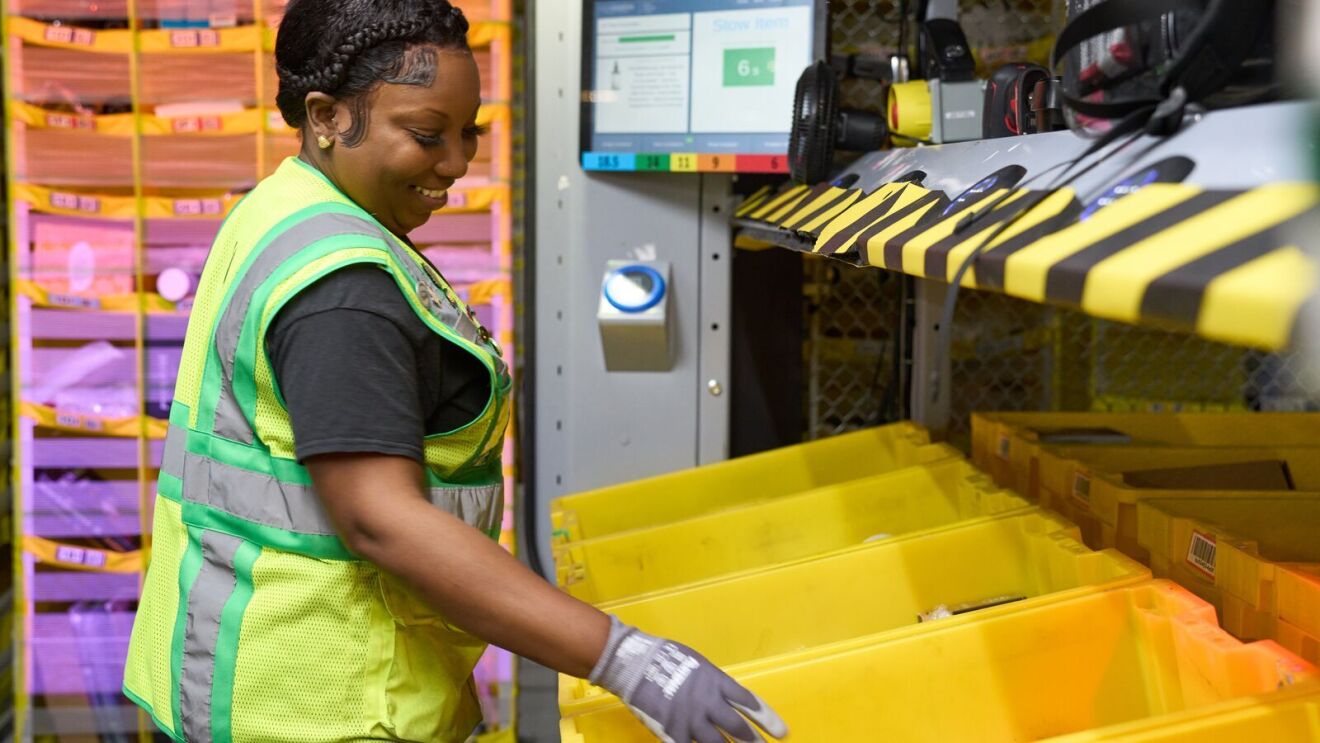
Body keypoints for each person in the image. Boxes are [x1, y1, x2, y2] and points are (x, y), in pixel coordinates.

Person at [121, 1, 788, 741]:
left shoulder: (286, 209)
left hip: (273, 680)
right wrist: (626, 659)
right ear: (326, 115)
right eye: (426, 134)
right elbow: (382, 519)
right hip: (324, 701)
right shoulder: (343, 291)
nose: (457, 162)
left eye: (469, 130)